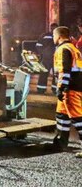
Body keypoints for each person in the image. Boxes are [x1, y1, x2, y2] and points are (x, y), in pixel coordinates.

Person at [52, 26, 82, 158]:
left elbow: (65, 71)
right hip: (74, 86)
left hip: (70, 89)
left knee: (78, 118)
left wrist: (61, 88)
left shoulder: (63, 49)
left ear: (58, 36)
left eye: (54, 36)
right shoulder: (74, 48)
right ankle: (61, 142)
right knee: (62, 115)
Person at [36, 23, 60, 94]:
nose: (53, 29)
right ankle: (41, 89)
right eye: (52, 28)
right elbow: (38, 45)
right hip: (47, 58)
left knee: (56, 74)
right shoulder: (45, 35)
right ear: (50, 28)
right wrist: (43, 53)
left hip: (56, 58)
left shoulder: (59, 36)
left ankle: (55, 89)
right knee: (44, 73)